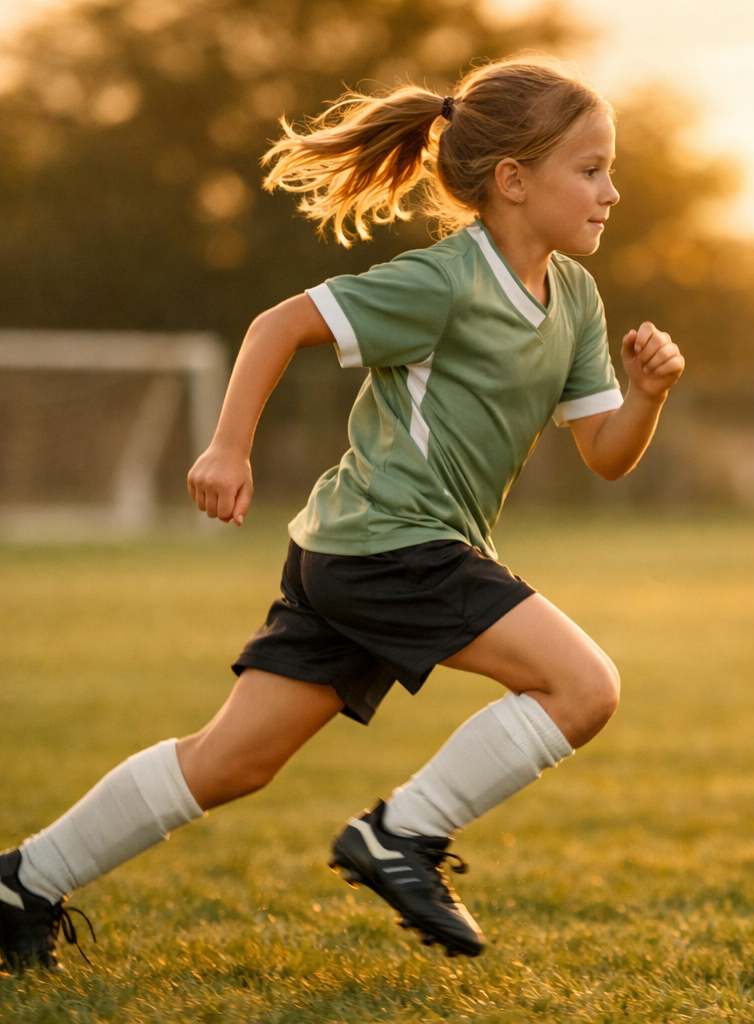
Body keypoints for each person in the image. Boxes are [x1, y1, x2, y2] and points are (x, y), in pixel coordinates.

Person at [0, 55, 684, 970]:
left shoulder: (577, 299)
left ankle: (20, 882)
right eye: (590, 169)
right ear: (513, 181)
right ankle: (402, 836)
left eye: (609, 169)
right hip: (394, 546)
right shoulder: (445, 281)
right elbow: (278, 324)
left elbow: (604, 454)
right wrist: (228, 447)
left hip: (353, 550)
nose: (611, 191)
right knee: (584, 687)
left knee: (231, 761)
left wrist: (644, 396)